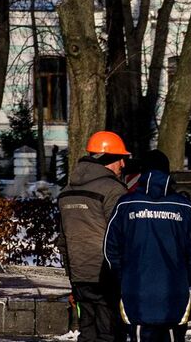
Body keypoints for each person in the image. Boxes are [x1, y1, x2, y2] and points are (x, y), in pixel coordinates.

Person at [102, 152, 191, 342]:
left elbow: (110, 249)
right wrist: (187, 274)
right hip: (174, 291)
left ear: (142, 173)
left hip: (136, 290)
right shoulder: (185, 207)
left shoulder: (126, 205)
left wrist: (121, 275)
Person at [57, 130, 129, 342]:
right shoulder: (113, 191)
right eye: (120, 160)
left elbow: (63, 240)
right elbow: (121, 235)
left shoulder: (66, 190)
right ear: (107, 159)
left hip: (79, 276)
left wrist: (72, 274)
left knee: (87, 332)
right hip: (107, 274)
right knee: (110, 333)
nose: (123, 165)